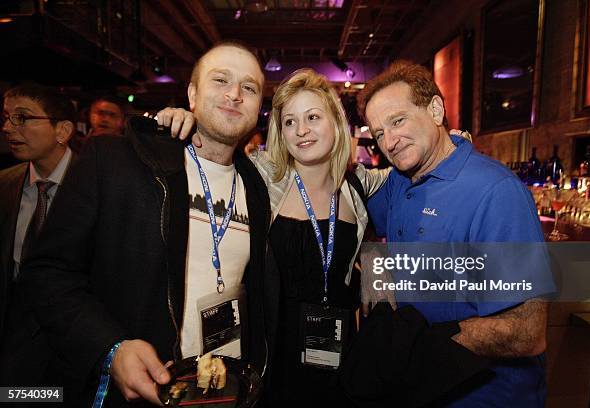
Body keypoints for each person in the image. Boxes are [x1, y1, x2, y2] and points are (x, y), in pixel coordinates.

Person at [158, 69, 485, 407]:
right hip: (272, 354)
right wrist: (183, 123)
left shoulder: (358, 184)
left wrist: (452, 141)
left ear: (335, 122)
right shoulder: (261, 178)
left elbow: (417, 159)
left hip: (340, 352)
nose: (301, 131)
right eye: (289, 122)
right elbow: (211, 157)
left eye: (313, 117)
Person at [18, 42, 270, 406]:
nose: (234, 94)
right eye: (221, 80)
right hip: (134, 391)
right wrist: (111, 347)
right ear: (192, 94)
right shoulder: (114, 161)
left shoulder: (257, 190)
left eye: (249, 88)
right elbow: (46, 273)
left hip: (218, 390)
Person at [358, 61, 550, 406]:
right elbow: (362, 225)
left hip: (487, 396)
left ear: (435, 109)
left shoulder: (495, 191)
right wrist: (375, 269)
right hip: (424, 390)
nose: (389, 141)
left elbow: (527, 330)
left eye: (398, 120)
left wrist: (428, 343)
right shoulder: (400, 183)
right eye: (379, 133)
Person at [0, 84, 76, 386]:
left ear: (62, 130)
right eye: (6, 117)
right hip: (14, 341)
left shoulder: (98, 184)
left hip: (71, 347)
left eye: (22, 118)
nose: (7, 128)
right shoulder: (5, 184)